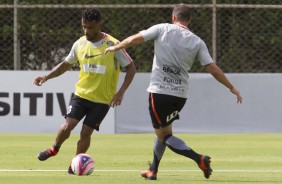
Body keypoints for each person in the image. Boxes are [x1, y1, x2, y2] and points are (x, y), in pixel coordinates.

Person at [104, 3, 242, 180]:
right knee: (164, 130)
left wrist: (116, 47)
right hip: (180, 96)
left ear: (173, 18)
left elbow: (134, 39)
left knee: (164, 135)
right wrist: (231, 87)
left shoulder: (163, 29)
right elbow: (213, 69)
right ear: (189, 20)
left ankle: (199, 159)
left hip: (160, 92)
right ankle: (153, 170)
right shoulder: (197, 41)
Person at [33, 8, 136, 174]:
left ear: (99, 25)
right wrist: (46, 77)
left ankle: (74, 165)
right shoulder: (79, 43)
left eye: (90, 28)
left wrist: (121, 92)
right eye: (84, 27)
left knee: (86, 131)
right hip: (81, 95)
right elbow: (66, 64)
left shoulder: (113, 44)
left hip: (103, 100)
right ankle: (54, 148)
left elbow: (131, 68)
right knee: (68, 126)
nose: (87, 31)